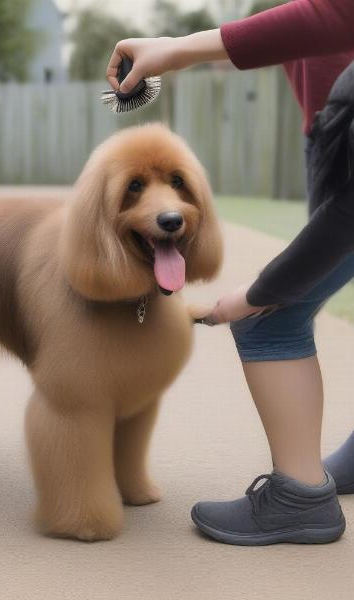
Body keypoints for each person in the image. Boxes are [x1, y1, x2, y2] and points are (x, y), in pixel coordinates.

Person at [107, 0, 354, 545]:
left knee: (273, 320)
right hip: (337, 123)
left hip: (345, 134)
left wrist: (259, 294)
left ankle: (299, 500)